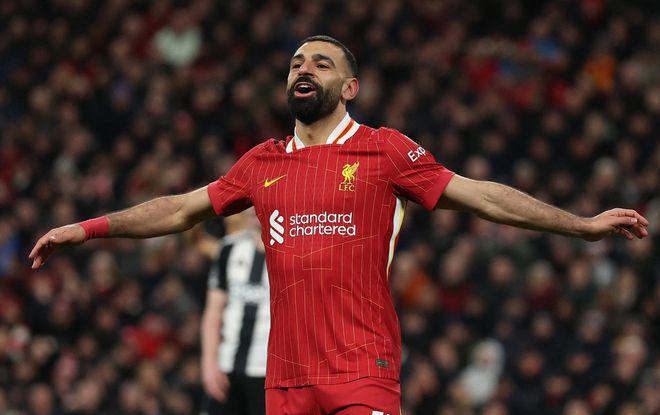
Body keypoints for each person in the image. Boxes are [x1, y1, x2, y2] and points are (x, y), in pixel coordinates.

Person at [29, 35, 649, 415]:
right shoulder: (261, 163)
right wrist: (87, 229)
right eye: (296, 63)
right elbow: (178, 210)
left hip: (361, 371)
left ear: (350, 86)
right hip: (285, 383)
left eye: (321, 64)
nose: (304, 70)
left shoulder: (385, 150)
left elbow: (482, 196)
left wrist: (581, 226)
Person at [200, 209, 269, 415]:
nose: (253, 208)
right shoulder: (228, 248)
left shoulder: (294, 252)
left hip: (269, 373)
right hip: (226, 368)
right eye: (249, 202)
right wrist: (209, 364)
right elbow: (213, 312)